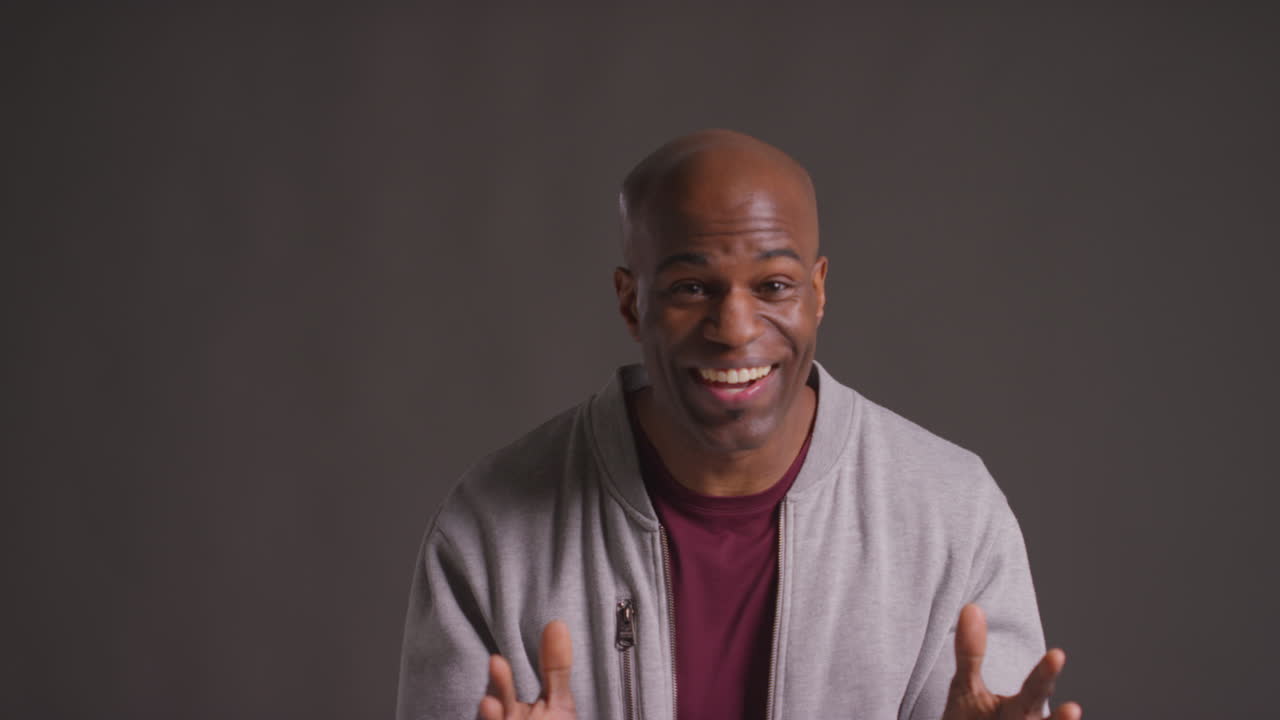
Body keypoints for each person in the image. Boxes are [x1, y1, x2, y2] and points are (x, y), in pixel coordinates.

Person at [395, 130, 1082, 720]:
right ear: (631, 303)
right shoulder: (489, 528)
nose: (734, 328)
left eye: (774, 286)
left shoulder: (953, 513)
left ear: (817, 292)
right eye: (692, 288)